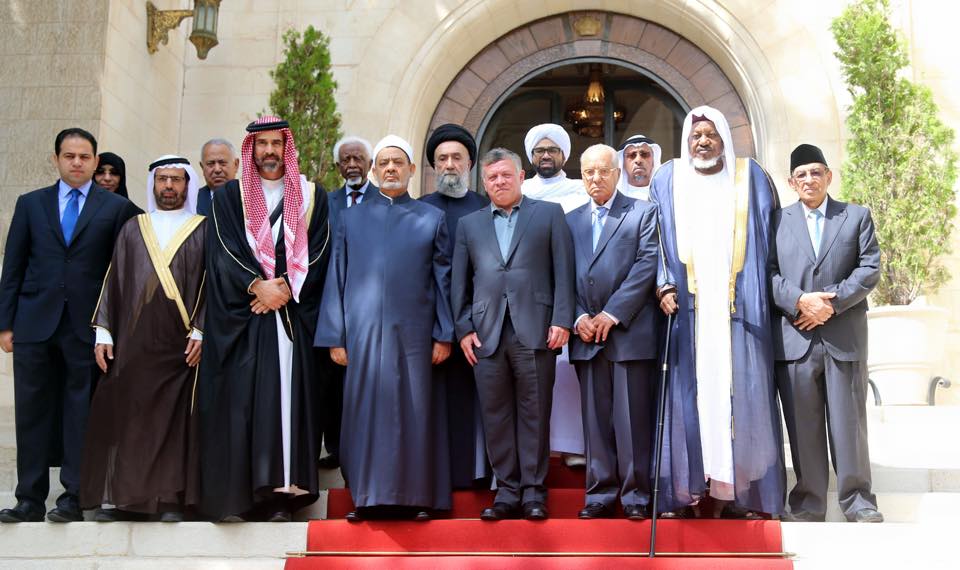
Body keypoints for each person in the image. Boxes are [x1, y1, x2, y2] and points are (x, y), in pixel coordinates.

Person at [0, 128, 140, 523]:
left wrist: (114, 327)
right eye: (68, 155)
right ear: (56, 159)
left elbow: (124, 273)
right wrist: (5, 324)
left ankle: (74, 498)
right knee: (31, 412)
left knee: (81, 413)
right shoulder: (31, 204)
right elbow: (13, 266)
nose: (76, 162)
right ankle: (29, 499)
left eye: (84, 156)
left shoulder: (116, 209)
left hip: (88, 327)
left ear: (95, 162)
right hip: (34, 324)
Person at [650, 105, 784, 518]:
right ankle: (687, 491)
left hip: (737, 313)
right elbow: (653, 239)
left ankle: (735, 493)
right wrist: (662, 285)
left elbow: (772, 240)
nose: (703, 142)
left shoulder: (749, 178)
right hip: (687, 313)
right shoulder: (668, 179)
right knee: (691, 399)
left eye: (710, 135)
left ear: (724, 139)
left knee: (737, 397)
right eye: (696, 136)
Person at [198, 116, 331, 522]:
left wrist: (285, 288)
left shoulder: (312, 196)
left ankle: (280, 497)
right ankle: (240, 497)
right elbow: (222, 250)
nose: (270, 151)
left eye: (277, 143)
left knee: (287, 405)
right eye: (262, 144)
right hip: (245, 318)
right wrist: (256, 286)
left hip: (292, 316)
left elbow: (320, 249)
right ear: (251, 149)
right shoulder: (229, 197)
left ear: (286, 147)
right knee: (241, 405)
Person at [316, 135, 454, 522]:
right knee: (364, 413)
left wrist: (444, 333)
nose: (391, 168)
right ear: (374, 171)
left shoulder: (432, 218)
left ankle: (417, 499)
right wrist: (335, 336)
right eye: (384, 163)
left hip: (415, 336)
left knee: (414, 411)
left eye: (398, 162)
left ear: (412, 170)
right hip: (362, 336)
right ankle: (366, 498)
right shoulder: (350, 218)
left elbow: (443, 281)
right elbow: (336, 277)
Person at [80, 155, 206, 523]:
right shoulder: (134, 227)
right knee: (132, 418)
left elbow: (212, 286)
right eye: (162, 179)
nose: (168, 186)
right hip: (135, 341)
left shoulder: (203, 229)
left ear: (187, 185)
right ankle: (128, 500)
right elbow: (115, 281)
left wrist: (202, 329)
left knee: (173, 421)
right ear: (153, 183)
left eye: (176, 180)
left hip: (181, 342)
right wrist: (104, 331)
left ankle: (169, 501)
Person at [452, 148, 575, 521]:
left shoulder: (549, 214)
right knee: (496, 416)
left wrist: (563, 319)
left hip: (537, 330)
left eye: (506, 175)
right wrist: (463, 329)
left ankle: (534, 493)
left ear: (521, 176)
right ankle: (506, 492)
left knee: (535, 413)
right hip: (485, 336)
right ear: (484, 182)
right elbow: (460, 283)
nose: (499, 182)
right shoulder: (469, 225)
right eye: (492, 177)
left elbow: (564, 271)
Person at [772, 144, 883, 523]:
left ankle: (859, 501)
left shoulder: (856, 217)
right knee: (803, 428)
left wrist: (830, 304)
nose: (809, 180)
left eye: (816, 172)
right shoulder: (775, 221)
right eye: (801, 175)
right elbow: (766, 273)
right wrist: (800, 301)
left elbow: (869, 268)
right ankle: (808, 503)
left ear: (828, 176)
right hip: (796, 341)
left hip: (843, 338)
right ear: (791, 182)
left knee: (849, 425)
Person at [566, 145, 660, 520]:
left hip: (629, 334)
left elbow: (646, 265)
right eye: (589, 172)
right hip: (586, 337)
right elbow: (561, 274)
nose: (596, 178)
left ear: (617, 174)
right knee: (595, 422)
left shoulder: (642, 212)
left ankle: (636, 496)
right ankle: (600, 495)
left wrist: (611, 313)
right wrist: (578, 317)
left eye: (603, 171)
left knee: (632, 421)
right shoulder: (569, 221)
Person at [420, 124, 491, 489]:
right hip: (429, 327)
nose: (449, 164)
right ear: (434, 166)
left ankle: (474, 475)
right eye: (442, 158)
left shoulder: (486, 208)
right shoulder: (418, 210)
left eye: (456, 158)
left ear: (469, 164)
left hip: (478, 326)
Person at [520, 123, 589, 468]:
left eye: (552, 150)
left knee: (567, 372)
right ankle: (540, 447)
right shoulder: (519, 192)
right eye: (539, 151)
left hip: (569, 291)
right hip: (529, 296)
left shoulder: (580, 191)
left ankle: (573, 445)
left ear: (564, 155)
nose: (545, 155)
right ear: (531, 156)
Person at [317, 135, 377, 471]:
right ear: (338, 166)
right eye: (346, 160)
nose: (352, 165)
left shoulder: (385, 200)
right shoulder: (325, 203)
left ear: (369, 164)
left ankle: (366, 445)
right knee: (332, 381)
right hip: (332, 303)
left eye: (358, 159)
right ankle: (336, 447)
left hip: (371, 303)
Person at [196, 138, 239, 216]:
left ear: (236, 165)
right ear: (202, 167)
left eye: (222, 163)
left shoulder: (249, 198)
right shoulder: (192, 200)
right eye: (210, 164)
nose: (217, 169)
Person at [616, 135, 662, 201]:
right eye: (632, 155)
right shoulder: (613, 198)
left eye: (644, 154)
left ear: (653, 161)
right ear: (623, 163)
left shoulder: (664, 194)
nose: (638, 160)